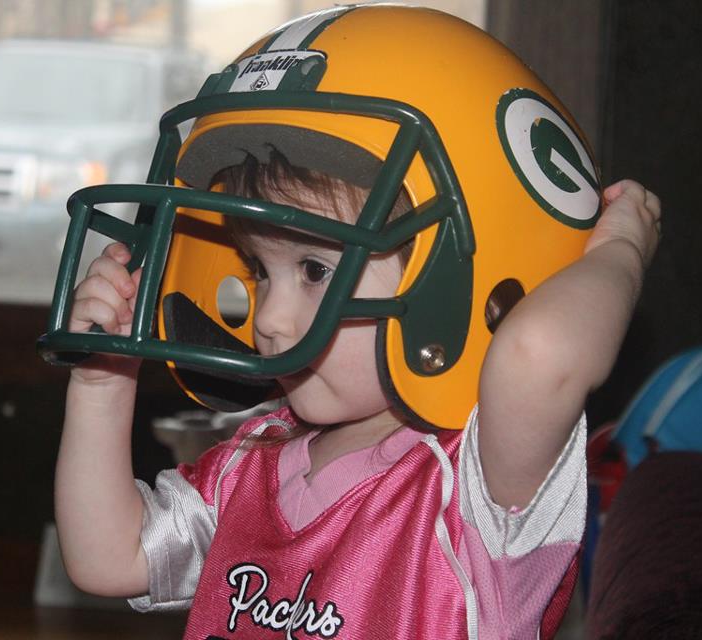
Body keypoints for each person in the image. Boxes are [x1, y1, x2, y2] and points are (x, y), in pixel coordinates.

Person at [43, 6, 661, 638]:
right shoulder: (250, 462)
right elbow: (106, 558)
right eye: (259, 269)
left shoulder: (478, 493)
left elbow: (540, 354)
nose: (271, 320)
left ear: (458, 276)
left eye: (314, 270)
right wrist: (102, 383)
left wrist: (619, 252)